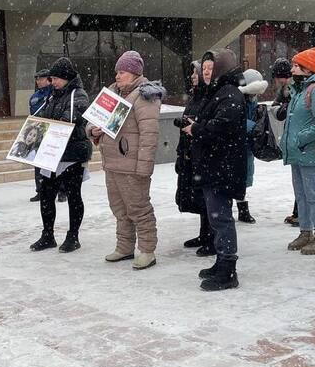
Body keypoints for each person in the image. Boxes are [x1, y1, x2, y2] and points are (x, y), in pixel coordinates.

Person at [89, 50, 166, 270]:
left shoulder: (145, 96)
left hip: (132, 166)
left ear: (134, 73)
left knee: (139, 209)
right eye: (116, 72)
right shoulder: (112, 93)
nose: (117, 76)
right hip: (112, 164)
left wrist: (144, 167)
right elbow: (92, 121)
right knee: (120, 210)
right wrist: (92, 131)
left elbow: (149, 135)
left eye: (122, 72)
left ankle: (147, 251)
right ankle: (124, 247)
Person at [181, 48, 247, 291]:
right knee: (216, 217)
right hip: (214, 166)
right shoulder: (217, 92)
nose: (206, 73)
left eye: (211, 69)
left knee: (221, 219)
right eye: (204, 69)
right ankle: (222, 261)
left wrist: (196, 129)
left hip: (223, 167)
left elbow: (222, 128)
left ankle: (228, 269)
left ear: (221, 70)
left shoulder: (229, 95)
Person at [29, 57, 92, 253]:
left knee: (74, 196)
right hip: (51, 154)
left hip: (72, 154)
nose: (53, 82)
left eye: (56, 79)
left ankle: (73, 236)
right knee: (47, 195)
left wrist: (54, 126)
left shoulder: (78, 95)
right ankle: (48, 235)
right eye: (51, 79)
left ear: (66, 78)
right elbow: (42, 116)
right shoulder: (52, 96)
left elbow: (71, 118)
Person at [280, 47, 315, 255]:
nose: (291, 69)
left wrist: (301, 138)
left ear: (307, 69)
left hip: (309, 152)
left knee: (314, 194)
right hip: (297, 152)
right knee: (301, 194)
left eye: (295, 66)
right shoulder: (299, 90)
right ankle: (305, 232)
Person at [175, 61, 214, 257]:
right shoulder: (196, 96)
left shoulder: (210, 96)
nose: (192, 76)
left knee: (208, 198)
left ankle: (212, 237)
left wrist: (194, 126)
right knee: (198, 196)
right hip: (190, 153)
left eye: (195, 72)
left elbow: (205, 125)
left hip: (203, 155)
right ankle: (204, 234)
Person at [236, 69, 268, 224]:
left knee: (245, 177)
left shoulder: (252, 101)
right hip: (236, 145)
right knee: (236, 177)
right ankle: (240, 209)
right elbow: (236, 120)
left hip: (247, 145)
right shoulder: (237, 100)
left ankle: (242, 209)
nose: (255, 96)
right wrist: (254, 127)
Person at [29, 69, 65, 203]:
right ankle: (40, 189)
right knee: (38, 161)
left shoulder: (54, 94)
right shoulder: (34, 97)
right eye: (37, 79)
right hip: (38, 130)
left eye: (41, 79)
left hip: (51, 131)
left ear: (48, 79)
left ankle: (62, 191)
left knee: (55, 162)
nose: (38, 81)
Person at [271, 58, 299, 227]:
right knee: (299, 179)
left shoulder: (293, 89)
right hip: (293, 137)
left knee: (303, 181)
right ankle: (298, 212)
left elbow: (281, 111)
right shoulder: (287, 90)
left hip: (298, 138)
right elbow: (278, 109)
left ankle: (301, 214)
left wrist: (282, 109)